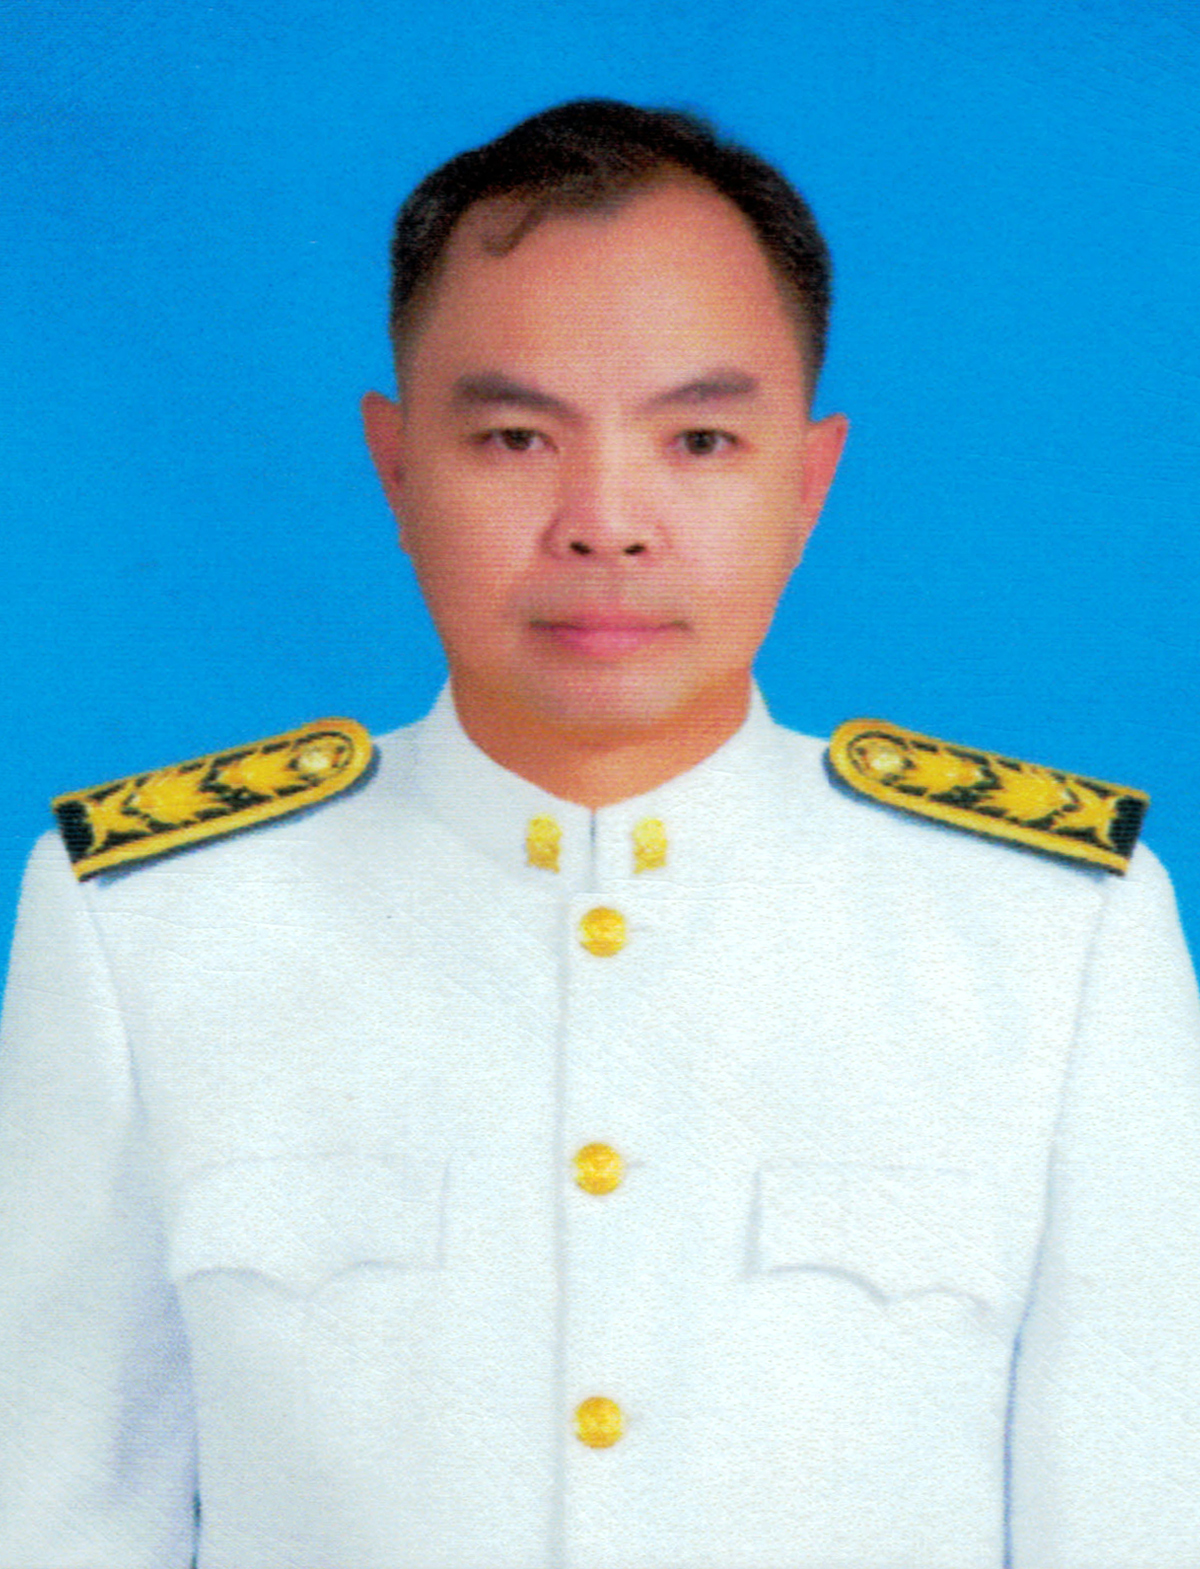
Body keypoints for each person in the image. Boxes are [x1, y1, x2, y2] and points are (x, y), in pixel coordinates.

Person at [1, 98, 1198, 1569]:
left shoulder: (1054, 935)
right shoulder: (149, 924)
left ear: (807, 481)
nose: (606, 523)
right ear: (396, 468)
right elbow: (52, 1517)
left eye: (699, 438)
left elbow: (1144, 1523)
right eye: (516, 436)